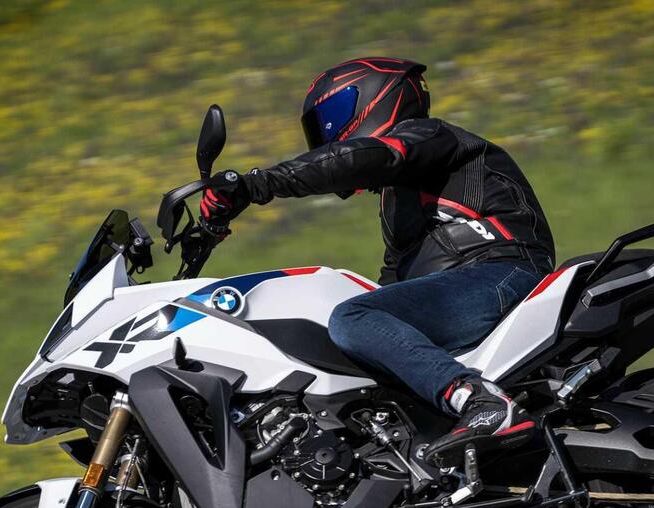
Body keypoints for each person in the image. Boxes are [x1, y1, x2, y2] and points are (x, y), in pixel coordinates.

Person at [197, 57, 555, 467]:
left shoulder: (429, 135)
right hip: (468, 287)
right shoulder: (399, 201)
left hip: (501, 271)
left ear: (373, 97)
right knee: (343, 335)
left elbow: (369, 156)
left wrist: (256, 184)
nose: (326, 135)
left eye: (330, 117)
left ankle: (481, 401)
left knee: (354, 318)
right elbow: (391, 284)